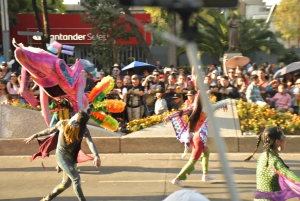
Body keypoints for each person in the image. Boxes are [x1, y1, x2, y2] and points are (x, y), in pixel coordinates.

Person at [24, 111, 101, 201]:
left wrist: (96, 156)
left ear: (79, 124)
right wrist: (36, 135)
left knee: (66, 183)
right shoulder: (63, 124)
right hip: (62, 156)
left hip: (72, 158)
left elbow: (90, 141)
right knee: (76, 178)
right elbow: (49, 130)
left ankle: (47, 199)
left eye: (75, 120)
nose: (72, 120)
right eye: (74, 117)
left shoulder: (83, 129)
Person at [163, 86, 227, 186]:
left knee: (206, 151)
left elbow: (180, 112)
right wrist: (225, 104)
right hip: (199, 139)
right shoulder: (208, 108)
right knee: (193, 160)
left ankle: (205, 175)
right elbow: (221, 104)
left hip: (192, 136)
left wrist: (168, 117)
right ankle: (177, 179)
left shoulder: (194, 107)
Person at [244, 126, 300, 201]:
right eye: (283, 137)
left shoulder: (263, 156)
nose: (285, 140)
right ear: (277, 142)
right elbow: (288, 174)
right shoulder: (274, 160)